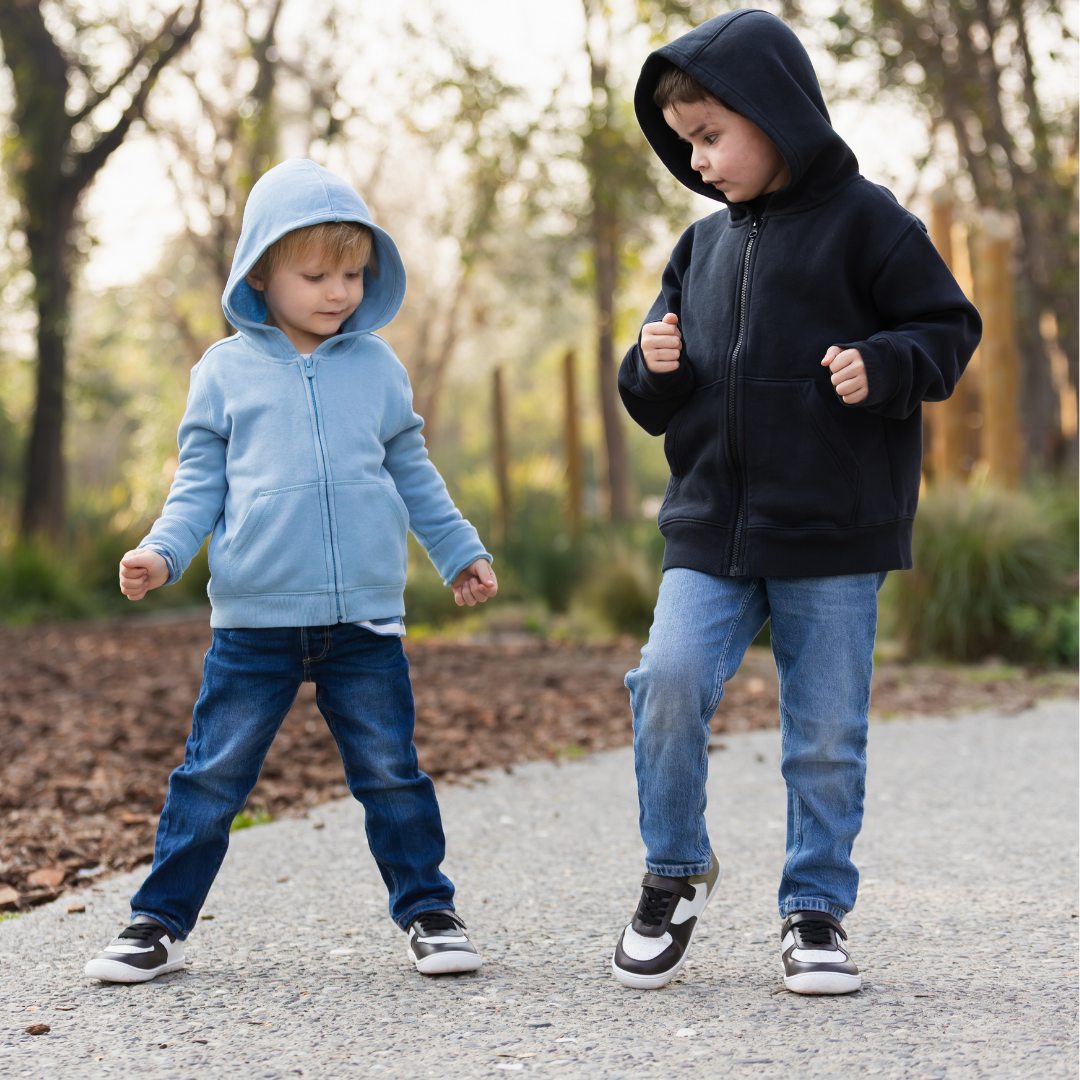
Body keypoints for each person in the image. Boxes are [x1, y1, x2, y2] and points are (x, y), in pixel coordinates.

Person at [612, 11, 980, 994]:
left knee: (823, 737)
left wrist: (885, 364)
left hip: (833, 529)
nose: (697, 161)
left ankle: (814, 911)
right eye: (684, 142)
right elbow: (654, 395)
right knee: (666, 681)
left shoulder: (871, 223)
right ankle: (674, 869)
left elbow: (948, 328)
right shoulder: (698, 248)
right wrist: (649, 367)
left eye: (710, 135)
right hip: (710, 528)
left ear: (776, 113)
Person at [84, 159, 497, 984]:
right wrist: (161, 553)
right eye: (315, 275)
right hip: (255, 622)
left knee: (391, 773)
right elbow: (197, 488)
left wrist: (460, 551)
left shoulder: (377, 367)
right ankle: (156, 923)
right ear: (260, 274)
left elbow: (414, 473)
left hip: (363, 622)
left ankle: (430, 912)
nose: (339, 292)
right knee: (211, 774)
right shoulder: (223, 372)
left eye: (354, 273)